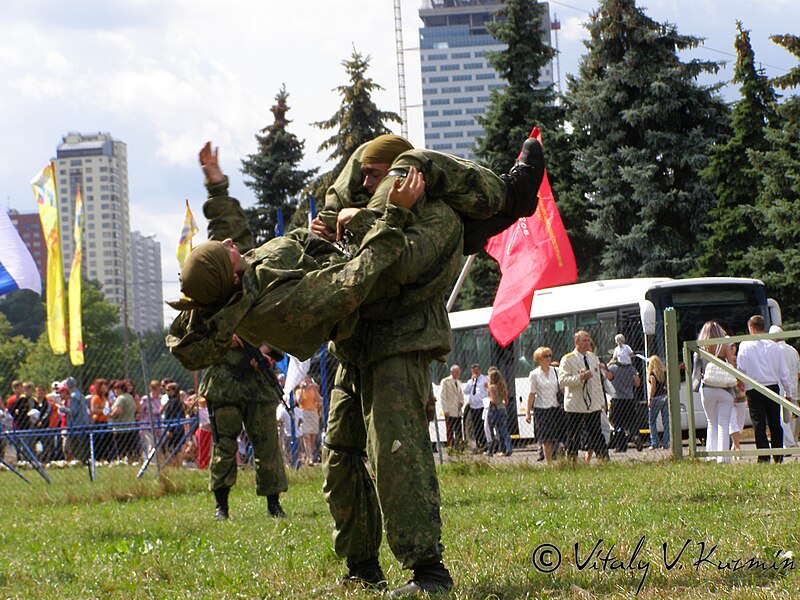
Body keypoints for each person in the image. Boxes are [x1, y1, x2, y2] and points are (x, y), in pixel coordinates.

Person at [737, 315, 792, 463]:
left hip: (753, 388)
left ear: (751, 328)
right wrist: (788, 391)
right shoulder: (774, 346)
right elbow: (783, 372)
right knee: (775, 422)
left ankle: (763, 457)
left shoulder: (745, 345)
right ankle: (778, 456)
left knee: (759, 424)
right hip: (773, 386)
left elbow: (740, 368)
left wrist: (740, 382)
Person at [558, 331, 609, 461]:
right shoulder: (568, 359)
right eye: (584, 341)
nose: (588, 343)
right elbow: (562, 381)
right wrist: (580, 378)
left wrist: (601, 401)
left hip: (592, 404)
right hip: (575, 404)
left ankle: (604, 461)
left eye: (588, 340)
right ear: (577, 343)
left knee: (596, 434)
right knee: (573, 435)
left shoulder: (593, 357)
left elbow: (597, 382)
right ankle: (572, 462)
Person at [525, 347, 563, 465]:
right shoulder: (534, 374)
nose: (549, 358)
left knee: (557, 436)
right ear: (539, 359)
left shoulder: (556, 371)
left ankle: (561, 460)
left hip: (555, 407)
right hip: (542, 408)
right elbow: (531, 394)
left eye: (550, 355)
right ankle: (549, 463)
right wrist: (527, 412)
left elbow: (562, 389)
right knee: (546, 438)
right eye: (545, 356)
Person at [768, 325, 800, 448]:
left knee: (780, 417)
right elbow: (798, 372)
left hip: (779, 386)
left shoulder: (773, 350)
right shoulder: (793, 350)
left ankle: (789, 443)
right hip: (793, 387)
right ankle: (792, 441)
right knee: (791, 416)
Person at [606, 356, 642, 452]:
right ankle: (635, 435)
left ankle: (621, 445)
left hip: (617, 399)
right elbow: (637, 383)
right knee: (631, 421)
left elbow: (608, 376)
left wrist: (609, 364)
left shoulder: (612, 368)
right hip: (629, 399)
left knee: (615, 421)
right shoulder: (631, 369)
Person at [55, 379, 90, 463]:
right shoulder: (80, 394)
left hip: (76, 425)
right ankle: (82, 461)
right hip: (82, 424)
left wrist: (61, 408)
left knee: (75, 446)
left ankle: (79, 461)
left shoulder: (73, 396)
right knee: (81, 445)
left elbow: (72, 411)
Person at [108, 380, 139, 461]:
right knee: (131, 450)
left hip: (120, 428)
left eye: (115, 389)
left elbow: (118, 412)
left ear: (119, 389)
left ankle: (123, 462)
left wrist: (109, 415)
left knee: (121, 451)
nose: (114, 391)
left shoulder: (120, 398)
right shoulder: (130, 397)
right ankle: (132, 462)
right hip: (131, 426)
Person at [485, 367, 512, 456]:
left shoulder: (492, 387)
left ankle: (500, 449)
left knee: (497, 431)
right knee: (505, 431)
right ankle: (508, 448)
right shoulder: (502, 386)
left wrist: (487, 394)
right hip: (503, 409)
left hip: (496, 410)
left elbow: (493, 401)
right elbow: (506, 400)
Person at [463, 363, 490, 453]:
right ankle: (478, 444)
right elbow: (466, 391)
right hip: (473, 407)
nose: (475, 372)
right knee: (475, 426)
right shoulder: (470, 381)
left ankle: (485, 444)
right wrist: (471, 382)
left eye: (476, 370)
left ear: (479, 370)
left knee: (483, 426)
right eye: (473, 371)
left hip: (481, 406)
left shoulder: (484, 379)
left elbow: (488, 391)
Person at [296, 376, 323, 466]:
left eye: (309, 381)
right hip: (304, 413)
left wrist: (315, 389)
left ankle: (309, 457)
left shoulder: (313, 390)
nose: (307, 383)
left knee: (312, 436)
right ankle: (310, 457)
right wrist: (302, 389)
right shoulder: (299, 391)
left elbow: (319, 400)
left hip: (314, 413)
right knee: (306, 436)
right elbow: (299, 402)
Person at [646, 355, 669, 449]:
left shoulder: (652, 375)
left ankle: (654, 442)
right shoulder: (664, 373)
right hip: (664, 396)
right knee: (666, 421)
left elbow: (653, 387)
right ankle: (666, 442)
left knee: (652, 421)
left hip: (656, 398)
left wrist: (650, 399)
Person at [439, 364, 464, 450]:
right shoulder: (445, 381)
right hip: (449, 410)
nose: (458, 373)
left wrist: (461, 402)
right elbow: (443, 397)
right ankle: (450, 447)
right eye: (456, 372)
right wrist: (445, 410)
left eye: (459, 372)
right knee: (450, 431)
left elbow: (461, 395)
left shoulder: (459, 382)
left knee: (458, 430)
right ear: (452, 372)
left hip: (457, 411)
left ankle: (459, 446)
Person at [160, 382, 185, 466]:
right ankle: (175, 464)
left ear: (174, 391)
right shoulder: (171, 401)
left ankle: (175, 464)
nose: (166, 392)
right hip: (175, 428)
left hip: (174, 429)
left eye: (168, 390)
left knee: (168, 447)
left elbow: (172, 416)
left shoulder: (174, 402)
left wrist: (170, 430)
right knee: (172, 447)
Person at [138, 380, 163, 461]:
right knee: (150, 445)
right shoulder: (146, 399)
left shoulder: (161, 398)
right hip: (147, 425)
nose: (157, 391)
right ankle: (149, 462)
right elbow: (140, 411)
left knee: (157, 446)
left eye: (159, 389)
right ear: (151, 389)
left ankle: (157, 462)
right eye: (155, 389)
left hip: (158, 426)